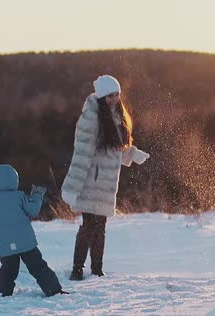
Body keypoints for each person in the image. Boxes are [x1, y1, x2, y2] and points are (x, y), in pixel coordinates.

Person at [62, 75, 150, 281]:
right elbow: (82, 153)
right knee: (88, 225)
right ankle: (77, 270)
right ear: (102, 96)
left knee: (100, 227)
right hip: (91, 181)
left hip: (107, 183)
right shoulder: (91, 117)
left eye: (117, 94)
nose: (115, 99)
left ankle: (97, 270)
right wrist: (72, 186)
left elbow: (116, 149)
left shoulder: (117, 116)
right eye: (111, 95)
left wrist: (133, 154)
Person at [0, 164, 67, 297]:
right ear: (15, 180)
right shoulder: (19, 196)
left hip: (6, 248)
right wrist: (37, 195)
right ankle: (54, 291)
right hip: (26, 244)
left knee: (8, 272)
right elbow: (33, 210)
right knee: (38, 267)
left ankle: (1, 295)